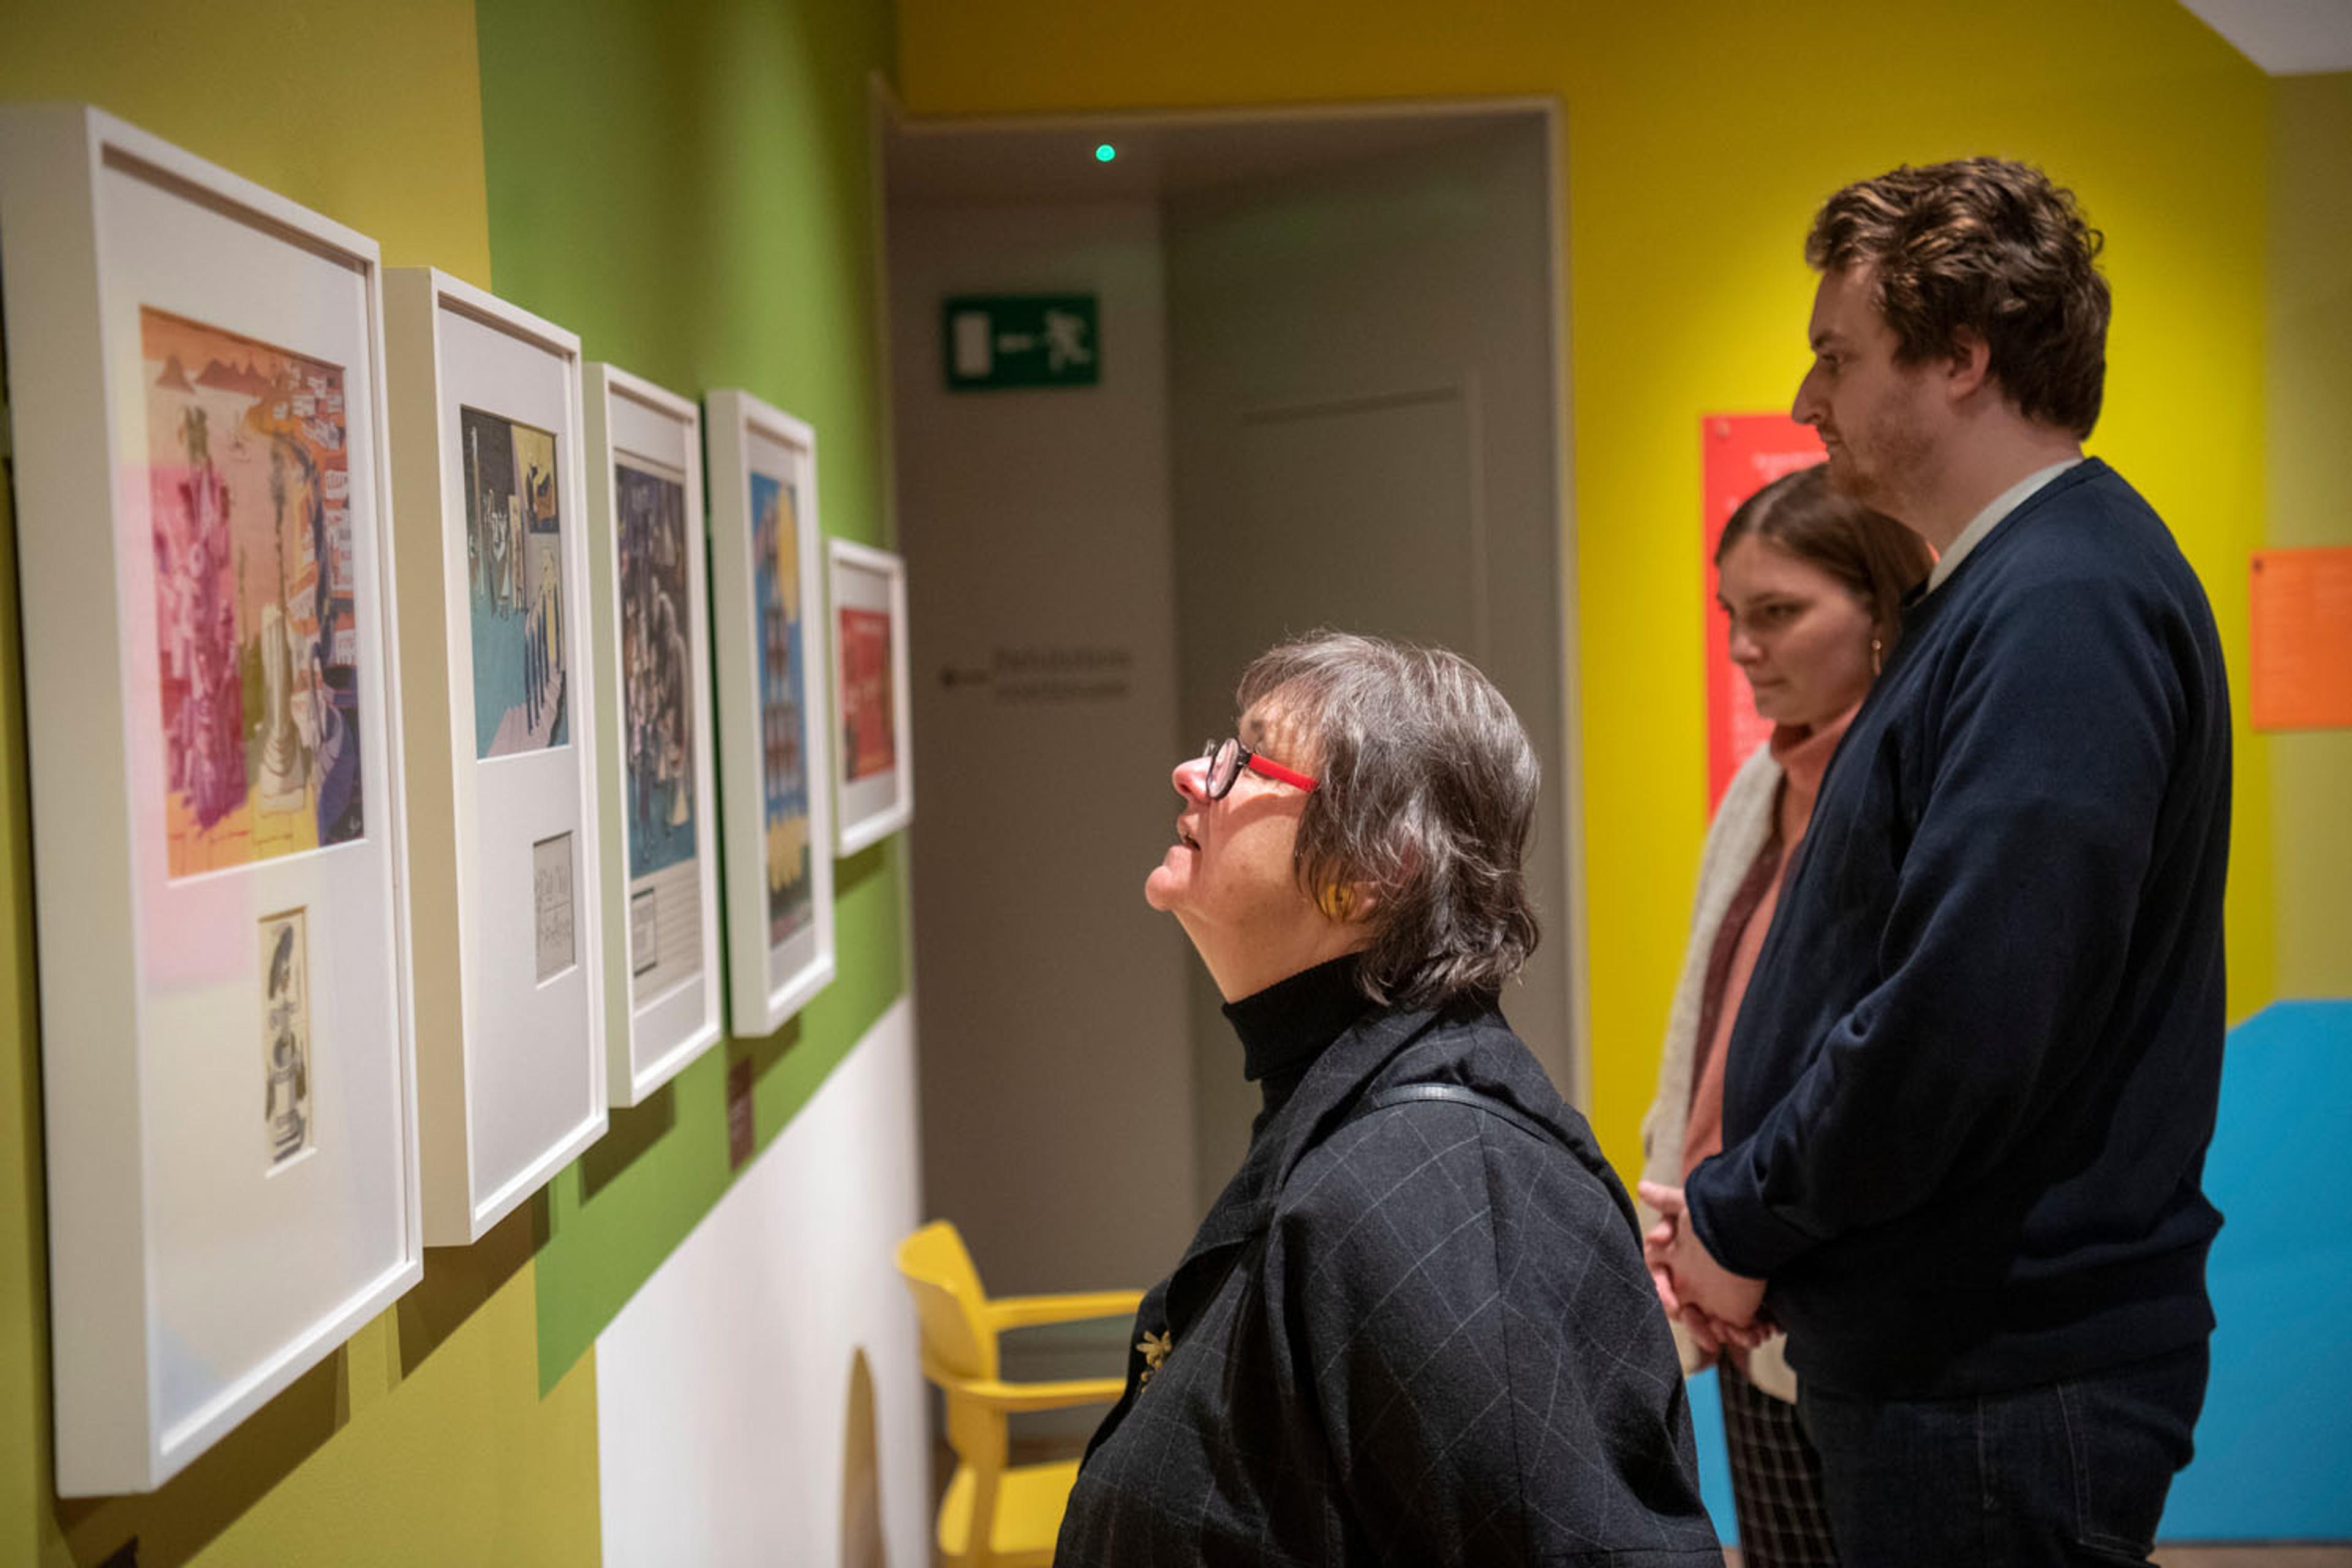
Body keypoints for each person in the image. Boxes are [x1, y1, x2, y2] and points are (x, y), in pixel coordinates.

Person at [1640, 157, 2232, 1567]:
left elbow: (1965, 1015)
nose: (1804, 400)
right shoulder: (2010, 588)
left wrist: (1744, 1216)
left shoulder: (2066, 603)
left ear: (1963, 356)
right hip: (1954, 1358)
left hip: (2000, 1371)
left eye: (1835, 356)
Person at [1057, 631, 1720, 1567]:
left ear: (1378, 868)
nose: (1192, 773)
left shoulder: (1449, 1191)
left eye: (1248, 760)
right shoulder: (1359, 1117)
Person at [1637, 465, 1931, 1566]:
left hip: (1842, 1290)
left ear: (1882, 611)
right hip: (1729, 1279)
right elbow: (1709, 1030)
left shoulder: (1917, 783)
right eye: (1733, 617)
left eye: (1779, 613)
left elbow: (1883, 1061)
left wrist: (1752, 1240)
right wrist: (1695, 1226)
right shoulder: (1761, 786)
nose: (1744, 648)